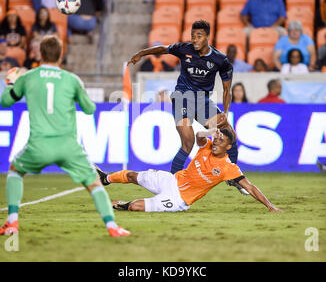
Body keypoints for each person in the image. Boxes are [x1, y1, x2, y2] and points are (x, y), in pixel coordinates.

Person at [0, 35, 130, 237]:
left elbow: (6, 103)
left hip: (39, 145)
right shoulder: (72, 79)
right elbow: (89, 109)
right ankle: (113, 227)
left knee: (15, 171)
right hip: (68, 146)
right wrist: (78, 94)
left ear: (40, 54)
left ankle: (12, 222)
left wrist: (10, 83)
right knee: (94, 183)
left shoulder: (27, 77)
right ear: (61, 55)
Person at [128, 20, 249, 195]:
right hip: (182, 97)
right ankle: (170, 185)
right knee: (188, 141)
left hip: (202, 101)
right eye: (193, 35)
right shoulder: (184, 48)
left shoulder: (220, 60)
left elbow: (226, 90)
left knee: (228, 131)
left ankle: (234, 178)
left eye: (199, 36)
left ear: (208, 37)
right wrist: (142, 53)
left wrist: (226, 113)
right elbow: (163, 49)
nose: (194, 39)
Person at [96, 128, 282, 213]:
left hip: (179, 199)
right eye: (217, 140)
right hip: (171, 180)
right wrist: (211, 133)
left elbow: (250, 187)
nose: (216, 143)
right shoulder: (207, 146)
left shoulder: (228, 168)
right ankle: (106, 179)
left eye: (221, 141)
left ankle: (122, 204)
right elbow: (199, 136)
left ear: (228, 147)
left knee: (135, 207)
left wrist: (270, 206)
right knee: (132, 175)